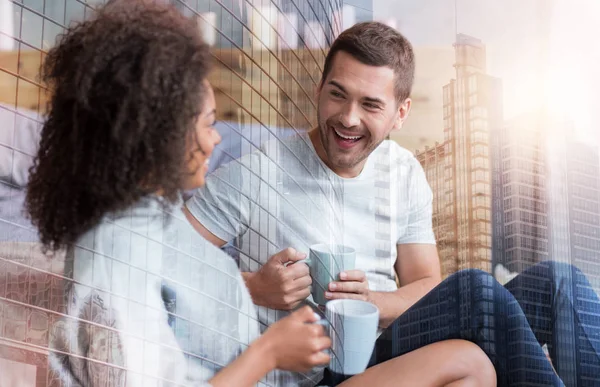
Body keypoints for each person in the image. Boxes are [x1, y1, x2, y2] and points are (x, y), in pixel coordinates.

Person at [19, 2, 496, 386]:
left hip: (349, 356)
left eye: (370, 103)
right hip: (301, 373)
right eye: (206, 123)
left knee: (474, 362)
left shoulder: (132, 231)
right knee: (474, 328)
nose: (217, 140)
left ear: (399, 113)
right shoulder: (121, 249)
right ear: (152, 132)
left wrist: (264, 304)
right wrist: (268, 344)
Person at [184, 22, 600, 386]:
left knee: (559, 283)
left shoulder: (401, 171)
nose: (348, 117)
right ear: (319, 90)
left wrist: (373, 303)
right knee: (475, 292)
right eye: (337, 95)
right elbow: (164, 258)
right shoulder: (257, 173)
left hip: (385, 352)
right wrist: (254, 287)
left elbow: (423, 282)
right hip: (314, 372)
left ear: (400, 114)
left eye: (370, 104)